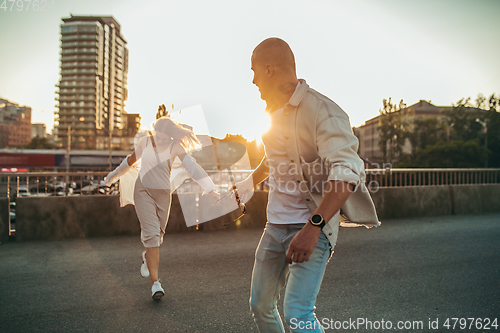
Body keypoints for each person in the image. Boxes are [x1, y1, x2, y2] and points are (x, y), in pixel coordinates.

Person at [237, 38, 379, 332]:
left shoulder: (323, 111)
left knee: (298, 314)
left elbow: (347, 174)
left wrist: (312, 228)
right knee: (260, 306)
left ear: (268, 68)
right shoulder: (272, 111)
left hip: (311, 225)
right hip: (274, 227)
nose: (252, 81)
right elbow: (276, 155)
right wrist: (249, 181)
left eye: (254, 71)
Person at [105, 116, 219, 300]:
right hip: (143, 191)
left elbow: (192, 168)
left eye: (165, 139)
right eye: (159, 138)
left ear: (172, 137)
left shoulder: (176, 147)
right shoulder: (145, 143)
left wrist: (211, 188)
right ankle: (155, 284)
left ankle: (147, 257)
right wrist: (113, 176)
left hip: (163, 195)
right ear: (153, 132)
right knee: (151, 236)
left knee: (157, 238)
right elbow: (130, 161)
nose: (161, 142)